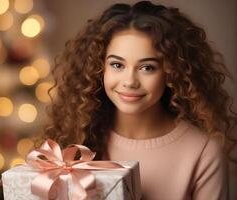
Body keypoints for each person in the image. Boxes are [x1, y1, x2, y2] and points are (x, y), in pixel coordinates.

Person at [40, 1, 237, 199]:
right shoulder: (75, 139)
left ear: (171, 73)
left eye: (147, 67)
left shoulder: (203, 152)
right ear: (100, 69)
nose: (130, 82)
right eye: (117, 65)